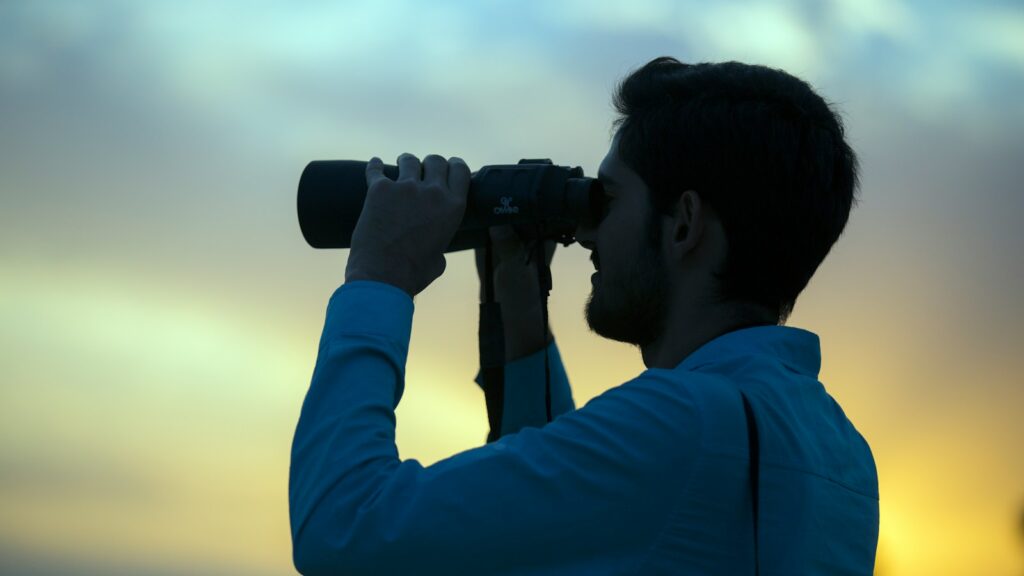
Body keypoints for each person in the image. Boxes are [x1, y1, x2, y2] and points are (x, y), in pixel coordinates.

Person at [289, 57, 879, 575]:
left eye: (610, 198)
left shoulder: (681, 423)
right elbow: (569, 520)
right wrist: (522, 317)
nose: (587, 230)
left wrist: (379, 277)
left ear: (683, 223)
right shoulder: (841, 452)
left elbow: (343, 528)